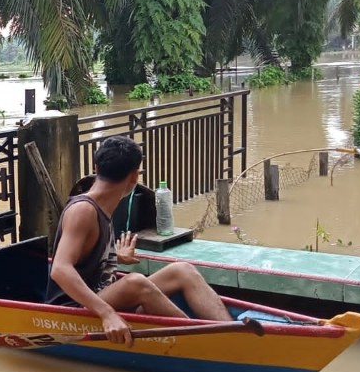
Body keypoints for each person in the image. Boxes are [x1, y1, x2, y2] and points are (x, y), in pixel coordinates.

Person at [46, 135, 232, 346]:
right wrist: (107, 314)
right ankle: (205, 346)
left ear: (96, 168)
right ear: (134, 176)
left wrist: (116, 255)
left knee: (183, 270)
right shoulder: (83, 210)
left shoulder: (104, 206)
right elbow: (60, 269)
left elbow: (87, 256)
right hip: (73, 307)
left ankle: (232, 337)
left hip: (102, 294)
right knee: (136, 282)